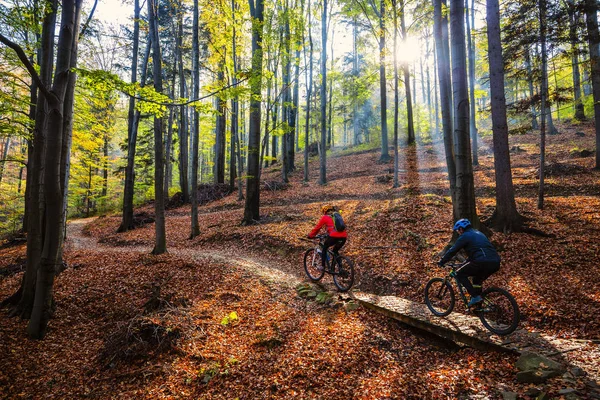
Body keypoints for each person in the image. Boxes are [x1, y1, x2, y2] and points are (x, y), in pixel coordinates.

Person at [438, 218, 500, 307]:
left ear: (461, 229)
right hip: (495, 262)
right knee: (477, 280)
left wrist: (442, 261)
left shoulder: (464, 236)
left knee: (459, 274)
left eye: (457, 230)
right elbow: (475, 254)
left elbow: (453, 250)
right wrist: (463, 264)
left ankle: (475, 297)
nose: (458, 232)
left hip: (481, 262)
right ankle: (479, 305)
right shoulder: (479, 233)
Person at [308, 205, 347, 271]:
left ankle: (323, 266)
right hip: (343, 237)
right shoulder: (337, 216)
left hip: (334, 236)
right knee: (335, 251)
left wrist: (311, 235)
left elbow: (317, 228)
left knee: (324, 248)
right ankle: (341, 268)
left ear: (325, 211)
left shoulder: (325, 217)